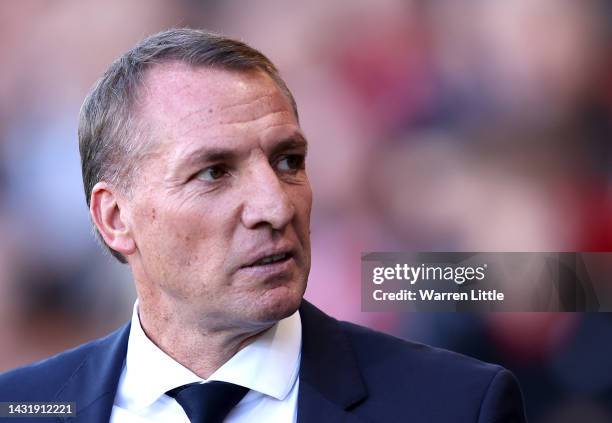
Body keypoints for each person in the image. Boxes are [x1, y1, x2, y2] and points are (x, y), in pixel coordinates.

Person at [0, 28, 526, 423]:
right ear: (116, 219)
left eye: (288, 161)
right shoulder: (21, 407)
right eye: (214, 172)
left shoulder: (455, 405)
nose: (275, 207)